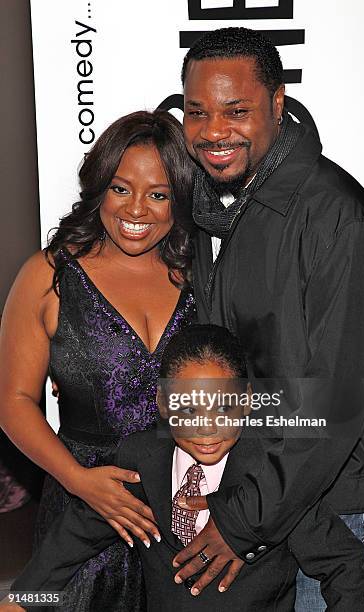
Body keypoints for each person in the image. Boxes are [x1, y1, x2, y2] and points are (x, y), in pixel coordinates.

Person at [169, 27, 364, 611]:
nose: (214, 131)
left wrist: (241, 519)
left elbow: (339, 399)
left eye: (237, 111)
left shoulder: (337, 218)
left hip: (339, 505)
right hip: (271, 495)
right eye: (197, 113)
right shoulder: (223, 208)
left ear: (278, 106)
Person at [5, 325, 364, 611]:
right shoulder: (142, 461)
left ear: (245, 403)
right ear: (163, 404)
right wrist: (23, 600)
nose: (207, 427)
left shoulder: (270, 476)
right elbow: (75, 538)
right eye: (190, 409)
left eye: (223, 408)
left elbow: (343, 564)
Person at [0, 110, 196, 611]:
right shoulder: (49, 275)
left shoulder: (200, 278)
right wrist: (77, 479)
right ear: (99, 188)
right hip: (80, 509)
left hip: (178, 514)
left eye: (159, 194)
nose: (138, 209)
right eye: (121, 188)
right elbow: (14, 400)